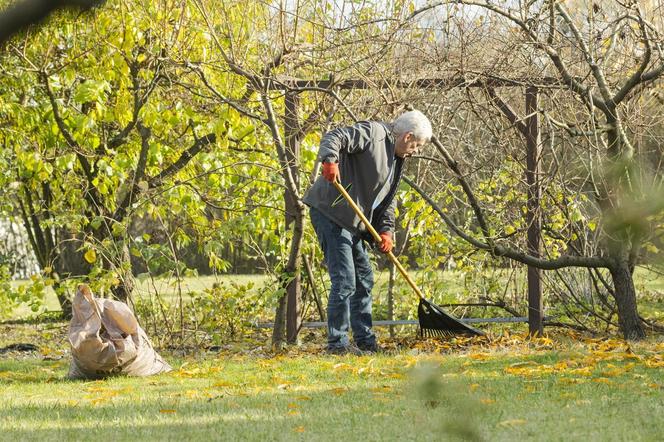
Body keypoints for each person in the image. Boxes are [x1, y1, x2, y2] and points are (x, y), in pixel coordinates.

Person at [303, 110, 433, 354]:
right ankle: (337, 345)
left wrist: (386, 232)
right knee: (344, 281)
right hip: (331, 213)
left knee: (364, 279)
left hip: (354, 224)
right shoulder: (373, 134)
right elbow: (335, 136)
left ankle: (366, 342)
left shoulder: (397, 161)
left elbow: (387, 201)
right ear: (407, 136)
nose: (417, 151)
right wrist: (329, 160)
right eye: (417, 145)